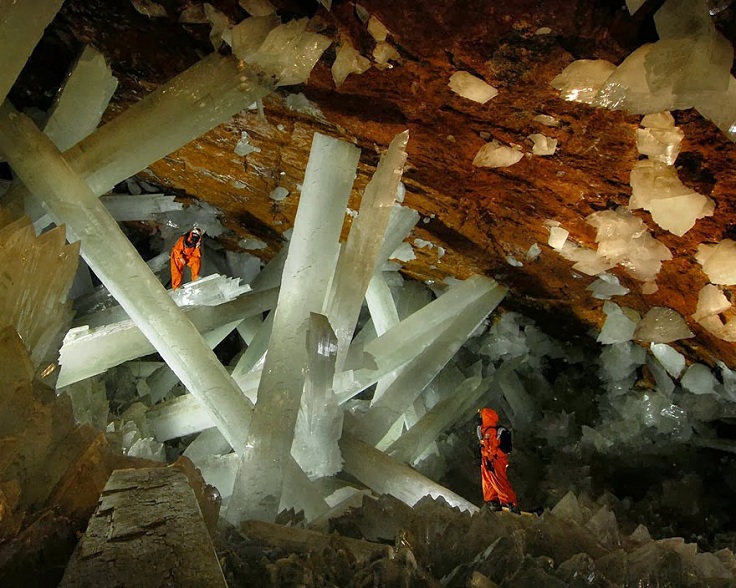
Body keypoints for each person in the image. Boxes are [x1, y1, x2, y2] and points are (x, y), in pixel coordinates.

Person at [477, 407, 520, 513]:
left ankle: (509, 504)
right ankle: (493, 502)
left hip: (496, 461)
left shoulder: (499, 431)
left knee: (500, 482)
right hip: (487, 461)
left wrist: (494, 455)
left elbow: (506, 448)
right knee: (488, 484)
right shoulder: (482, 431)